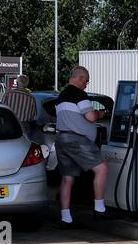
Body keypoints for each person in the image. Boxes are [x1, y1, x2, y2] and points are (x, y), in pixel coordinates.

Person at [43, 65, 109, 229]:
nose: (86, 85)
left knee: (67, 178)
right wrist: (102, 113)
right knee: (102, 169)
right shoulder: (79, 94)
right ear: (79, 78)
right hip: (77, 140)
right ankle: (99, 209)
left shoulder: (61, 97)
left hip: (61, 140)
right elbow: (91, 116)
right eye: (86, 81)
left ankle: (66, 218)